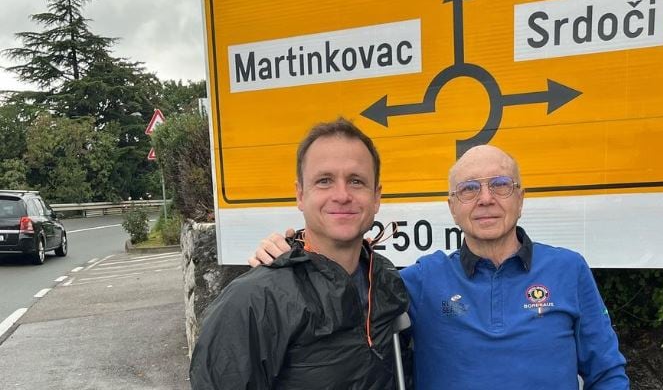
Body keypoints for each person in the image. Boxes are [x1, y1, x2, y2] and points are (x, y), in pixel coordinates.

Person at [252, 143, 629, 389]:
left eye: (500, 185)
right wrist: (292, 249)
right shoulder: (421, 279)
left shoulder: (569, 268)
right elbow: (340, 275)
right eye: (468, 189)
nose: (485, 199)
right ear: (452, 207)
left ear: (520, 198)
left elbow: (607, 373)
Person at [190, 118, 409, 389]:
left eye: (356, 181)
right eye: (324, 181)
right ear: (300, 195)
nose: (342, 195)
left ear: (376, 197)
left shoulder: (386, 279)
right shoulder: (253, 300)